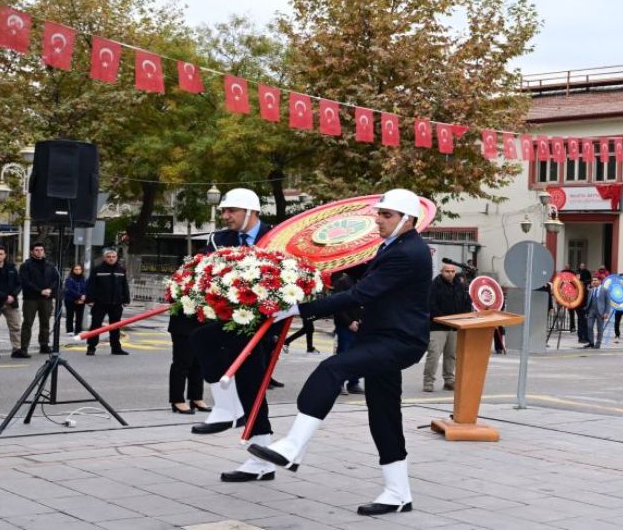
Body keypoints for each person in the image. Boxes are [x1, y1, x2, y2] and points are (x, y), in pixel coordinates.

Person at [247, 189, 431, 516]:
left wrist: (300, 310)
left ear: (408, 219)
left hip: (398, 342)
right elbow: (363, 273)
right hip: (380, 338)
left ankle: (292, 446)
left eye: (386, 215)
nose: (378, 219)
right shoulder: (393, 246)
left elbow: (361, 293)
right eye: (379, 213)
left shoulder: (408, 252)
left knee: (332, 369)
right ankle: (397, 492)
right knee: (384, 412)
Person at [186, 187, 285, 483]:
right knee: (248, 384)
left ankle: (231, 414)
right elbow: (203, 269)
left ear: (251, 212)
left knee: (250, 384)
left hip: (266, 321)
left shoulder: (277, 236)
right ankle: (256, 452)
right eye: (224, 211)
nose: (225, 216)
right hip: (232, 318)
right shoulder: (218, 239)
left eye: (231, 211)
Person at [424, 263, 470, 392]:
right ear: (441, 272)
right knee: (433, 355)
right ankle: (428, 382)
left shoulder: (460, 286)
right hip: (438, 326)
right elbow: (431, 306)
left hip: (455, 327)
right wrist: (445, 319)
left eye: (453, 271)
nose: (450, 273)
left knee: (451, 355)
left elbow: (466, 303)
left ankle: (449, 380)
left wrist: (462, 318)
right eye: (447, 271)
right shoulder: (434, 286)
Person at [84, 248, 130, 356]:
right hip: (100, 303)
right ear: (105, 258)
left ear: (116, 258)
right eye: (109, 257)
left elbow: (124, 285)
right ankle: (91, 347)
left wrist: (126, 299)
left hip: (116, 303)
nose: (111, 259)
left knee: (115, 327)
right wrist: (89, 299)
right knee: (95, 325)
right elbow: (91, 285)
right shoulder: (97, 269)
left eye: (113, 257)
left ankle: (116, 348)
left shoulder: (121, 270)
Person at [19, 242, 59, 356]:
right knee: (27, 323)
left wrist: (50, 290)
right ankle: (24, 348)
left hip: (46, 298)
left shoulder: (50, 265)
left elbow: (55, 280)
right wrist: (40, 290)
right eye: (37, 250)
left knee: (45, 322)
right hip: (31, 298)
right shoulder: (26, 265)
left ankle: (44, 345)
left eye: (41, 250)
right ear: (32, 251)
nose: (39, 252)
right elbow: (25, 282)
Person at [167, 313, 209, 415]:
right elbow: (173, 297)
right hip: (184, 323)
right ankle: (177, 400)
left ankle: (196, 398)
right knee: (182, 363)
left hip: (203, 323)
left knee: (198, 363)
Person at [331, 271, 363, 395]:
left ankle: (353, 382)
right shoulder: (342, 282)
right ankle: (339, 383)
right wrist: (349, 322)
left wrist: (360, 319)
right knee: (344, 353)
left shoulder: (359, 280)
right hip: (346, 324)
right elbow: (338, 305)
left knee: (357, 355)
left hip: (357, 323)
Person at [582, 276, 607, 349]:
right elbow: (588, 300)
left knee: (600, 329)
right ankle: (591, 342)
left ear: (600, 281)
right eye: (593, 280)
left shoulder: (605, 290)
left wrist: (606, 312)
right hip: (591, 311)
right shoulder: (591, 290)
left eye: (595, 280)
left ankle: (598, 343)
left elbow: (608, 302)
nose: (594, 281)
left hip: (600, 311)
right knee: (589, 327)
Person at [63, 264, 87, 336]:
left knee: (79, 316)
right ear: (73, 270)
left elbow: (86, 288)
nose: (78, 271)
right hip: (70, 300)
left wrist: (84, 297)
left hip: (81, 300)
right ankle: (69, 330)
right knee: (70, 315)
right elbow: (70, 290)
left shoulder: (84, 279)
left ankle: (78, 330)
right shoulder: (69, 279)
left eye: (79, 269)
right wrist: (80, 296)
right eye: (76, 269)